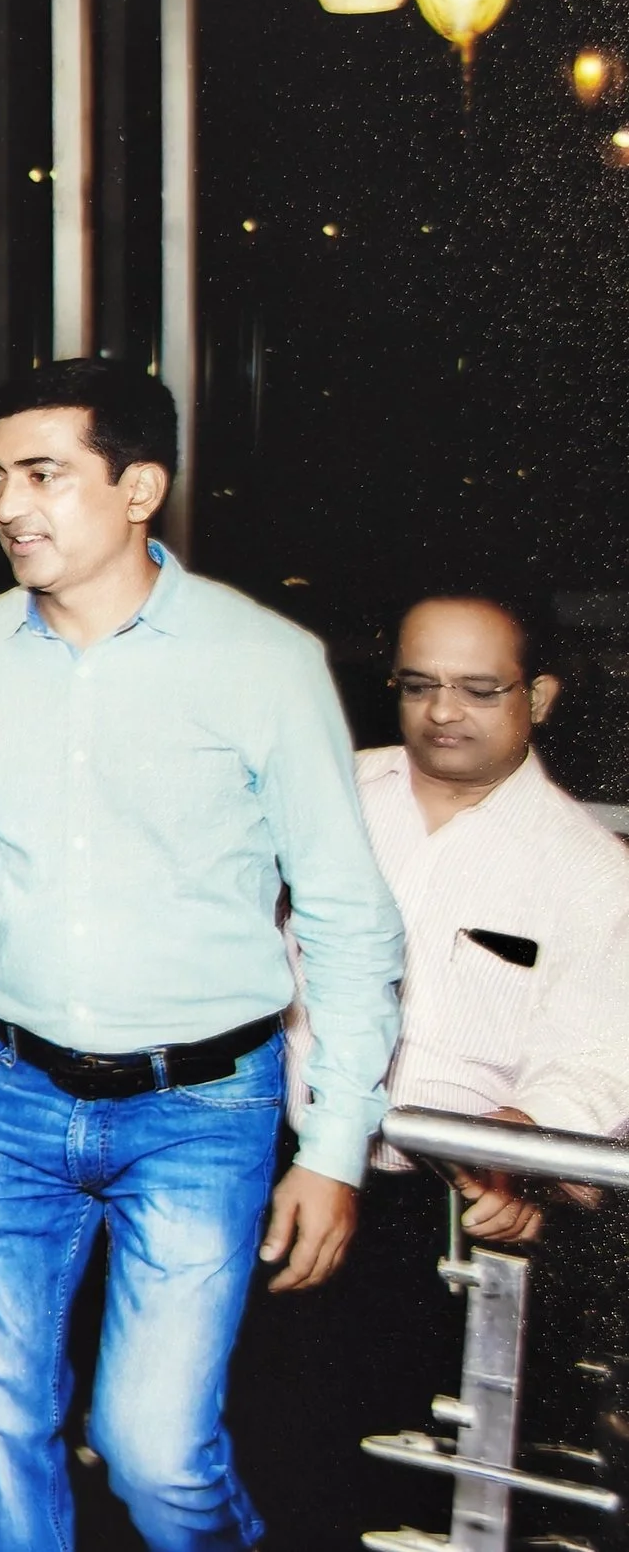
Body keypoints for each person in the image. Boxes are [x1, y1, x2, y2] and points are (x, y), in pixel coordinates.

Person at [0, 358, 405, 1551]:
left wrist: (339, 1146)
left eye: (45, 474)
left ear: (140, 486)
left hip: (203, 1108)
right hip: (4, 1092)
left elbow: (352, 918)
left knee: (156, 1458)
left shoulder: (265, 662)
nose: (9, 507)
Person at [260, 592, 629, 1542]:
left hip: (441, 1219)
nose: (441, 713)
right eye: (417, 686)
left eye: (477, 689)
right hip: (274, 1173)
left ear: (537, 696)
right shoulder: (326, 795)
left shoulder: (590, 870)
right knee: (255, 1461)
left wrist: (521, 1145)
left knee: (401, 1497)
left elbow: (593, 1058)